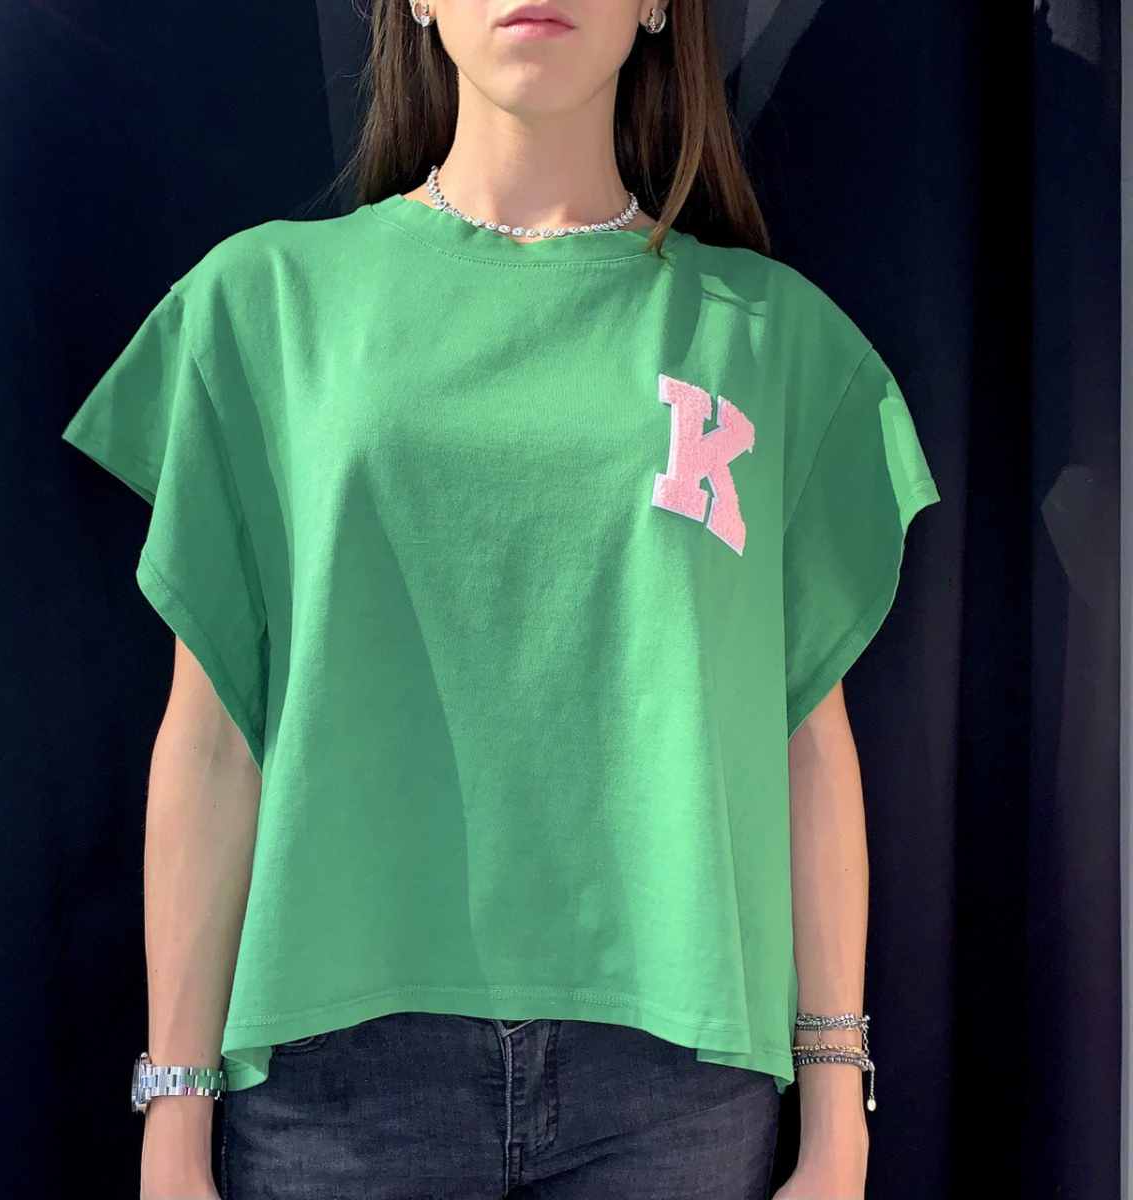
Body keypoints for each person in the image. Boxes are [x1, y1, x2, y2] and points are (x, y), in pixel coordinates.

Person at [61, 1, 941, 1197]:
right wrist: (174, 1119)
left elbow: (801, 744)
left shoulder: (768, 340)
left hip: (673, 1087)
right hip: (336, 1080)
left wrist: (839, 1122)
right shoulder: (265, 305)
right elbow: (215, 742)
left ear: (656, 6)